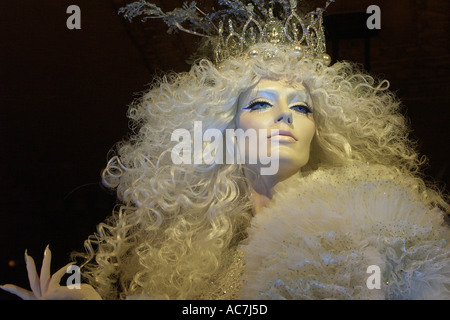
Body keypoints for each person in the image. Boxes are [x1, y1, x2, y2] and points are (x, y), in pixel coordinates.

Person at [1, 0, 449, 300]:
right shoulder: (207, 263)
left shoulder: (379, 227)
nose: (285, 117)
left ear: (320, 132)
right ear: (228, 130)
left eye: (301, 107)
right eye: (260, 103)